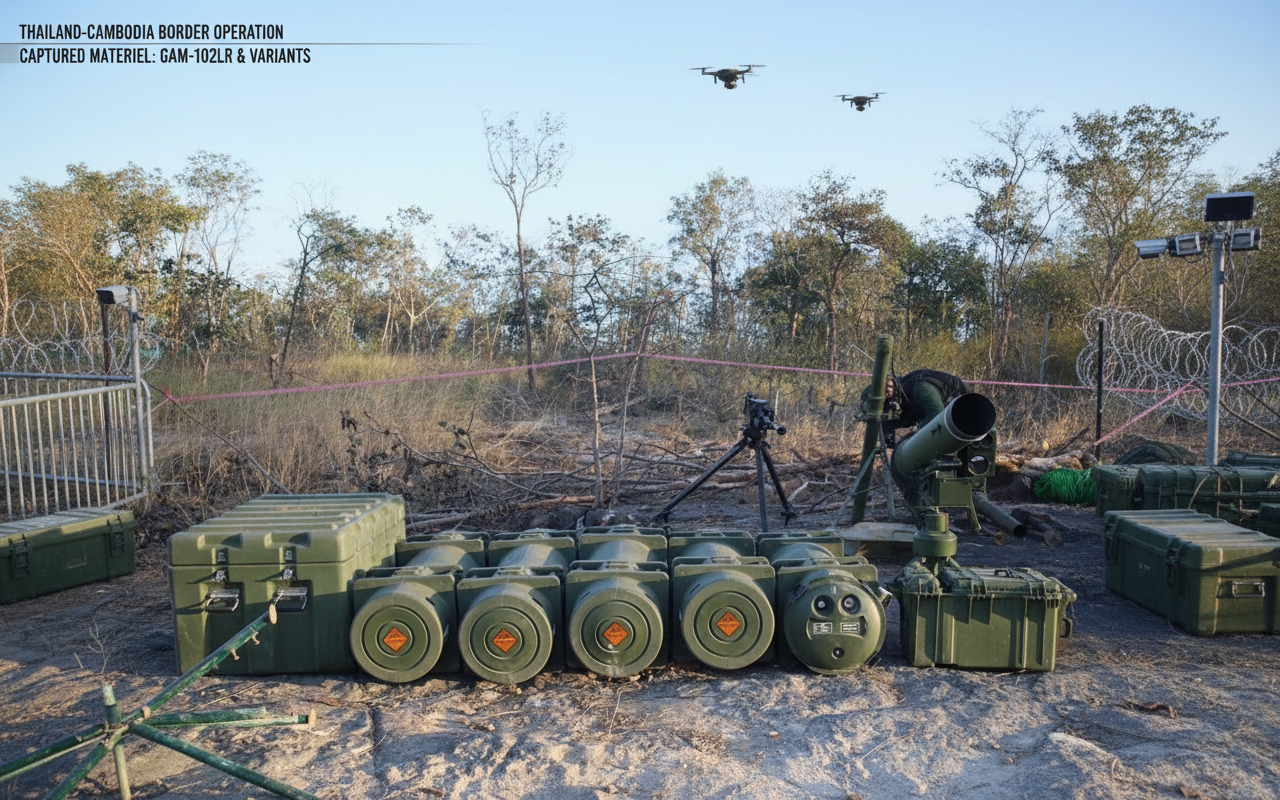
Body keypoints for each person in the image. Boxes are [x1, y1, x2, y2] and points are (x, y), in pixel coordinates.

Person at [864, 368, 968, 447]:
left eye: (890, 387)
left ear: (894, 384)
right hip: (920, 403)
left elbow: (937, 416)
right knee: (891, 423)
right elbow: (897, 421)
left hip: (948, 391)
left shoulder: (920, 389)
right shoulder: (896, 397)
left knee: (937, 421)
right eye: (884, 390)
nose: (889, 391)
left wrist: (915, 436)